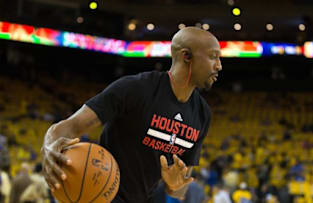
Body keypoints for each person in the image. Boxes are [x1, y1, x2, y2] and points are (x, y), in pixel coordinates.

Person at [41, 26, 222, 203]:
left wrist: (174, 187)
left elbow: (179, 189)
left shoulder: (202, 114)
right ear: (186, 56)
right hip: (102, 193)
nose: (219, 66)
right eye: (213, 57)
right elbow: (71, 126)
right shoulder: (135, 89)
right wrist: (49, 145)